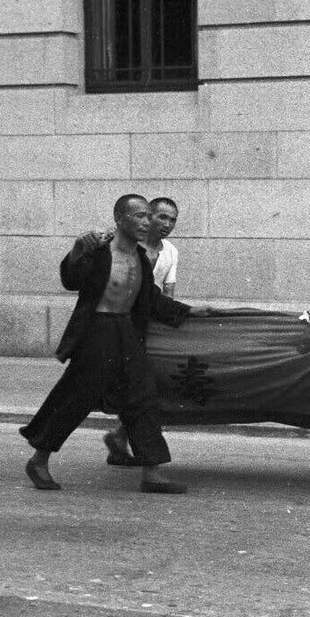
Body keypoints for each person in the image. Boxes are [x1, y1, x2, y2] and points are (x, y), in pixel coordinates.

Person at [19, 194, 210, 493]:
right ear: (119, 219)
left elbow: (151, 299)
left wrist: (188, 311)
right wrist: (77, 250)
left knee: (144, 396)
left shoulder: (143, 260)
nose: (147, 222)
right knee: (75, 398)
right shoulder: (99, 253)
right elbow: (71, 280)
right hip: (97, 331)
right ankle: (39, 460)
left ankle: (152, 472)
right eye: (139, 216)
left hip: (126, 331)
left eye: (149, 216)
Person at [104, 196, 180, 467]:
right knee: (82, 395)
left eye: (172, 220)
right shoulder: (124, 249)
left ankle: (132, 450)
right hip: (113, 331)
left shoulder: (168, 252)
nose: (166, 224)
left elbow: (164, 295)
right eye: (160, 217)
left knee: (142, 391)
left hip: (145, 330)